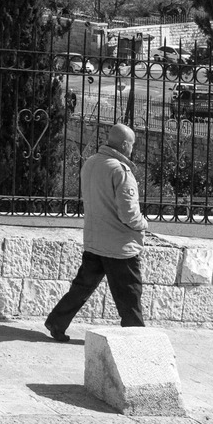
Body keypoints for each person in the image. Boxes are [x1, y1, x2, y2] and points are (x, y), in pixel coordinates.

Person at [44, 123, 149, 341]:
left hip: (94, 240)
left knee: (82, 286)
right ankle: (136, 339)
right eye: (132, 145)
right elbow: (129, 214)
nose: (132, 149)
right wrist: (143, 224)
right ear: (125, 144)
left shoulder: (91, 163)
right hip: (119, 246)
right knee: (129, 294)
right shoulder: (120, 171)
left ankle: (57, 321)